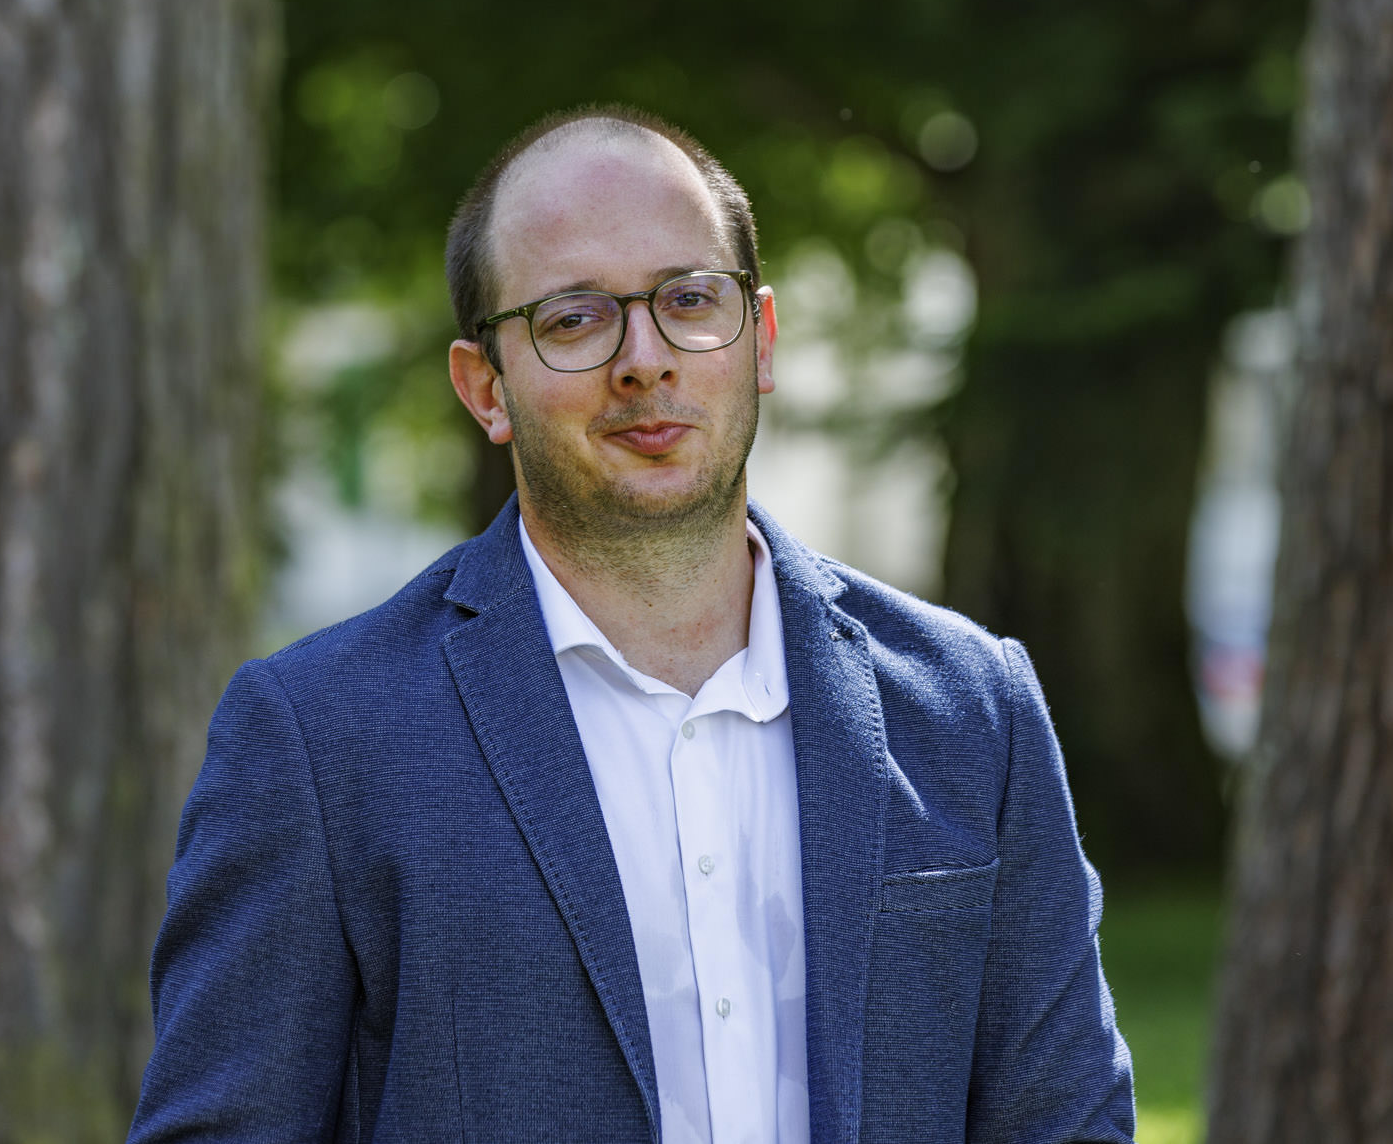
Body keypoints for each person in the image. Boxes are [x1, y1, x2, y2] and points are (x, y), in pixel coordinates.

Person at [126, 107, 1135, 1143]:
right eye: (573, 319)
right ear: (485, 389)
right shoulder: (319, 738)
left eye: (690, 299)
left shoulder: (970, 709)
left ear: (760, 340)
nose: (644, 359)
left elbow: (1066, 1124)